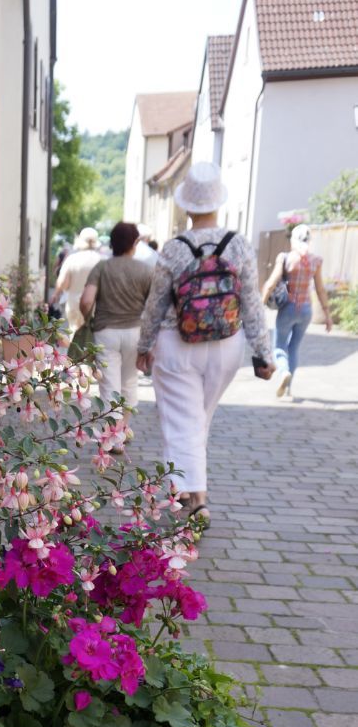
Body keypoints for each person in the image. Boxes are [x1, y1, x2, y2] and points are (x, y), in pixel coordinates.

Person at [135, 161, 274, 527]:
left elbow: (156, 303)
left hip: (176, 341)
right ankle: (181, 486)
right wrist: (263, 352)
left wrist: (143, 346)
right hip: (228, 344)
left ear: (187, 205)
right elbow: (252, 304)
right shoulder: (239, 245)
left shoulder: (174, 248)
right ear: (218, 202)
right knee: (198, 420)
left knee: (183, 421)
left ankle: (197, 498)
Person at [79, 221, 153, 419]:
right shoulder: (145, 270)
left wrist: (88, 320)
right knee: (129, 381)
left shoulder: (102, 267)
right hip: (134, 331)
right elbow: (153, 307)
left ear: (112, 243)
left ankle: (112, 437)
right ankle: (124, 430)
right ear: (134, 243)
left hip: (105, 332)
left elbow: (86, 301)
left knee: (109, 384)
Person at [261, 223, 334, 399]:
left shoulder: (285, 258)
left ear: (293, 240)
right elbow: (320, 289)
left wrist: (261, 305)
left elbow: (271, 283)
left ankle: (284, 372)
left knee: (279, 346)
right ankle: (288, 389)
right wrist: (328, 316)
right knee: (294, 347)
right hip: (306, 310)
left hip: (288, 308)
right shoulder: (315, 261)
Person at [50, 228, 101, 332]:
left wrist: (55, 294)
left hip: (74, 303)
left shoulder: (72, 259)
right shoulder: (101, 260)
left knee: (74, 333)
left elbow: (63, 283)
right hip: (95, 304)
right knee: (92, 336)